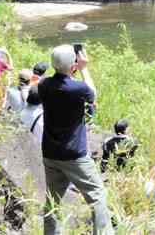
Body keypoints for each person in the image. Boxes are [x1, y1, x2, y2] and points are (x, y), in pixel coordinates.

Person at [38, 44, 113, 235]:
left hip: (50, 153)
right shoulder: (78, 88)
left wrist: (74, 67)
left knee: (52, 199)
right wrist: (84, 69)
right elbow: (93, 95)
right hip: (74, 155)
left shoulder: (44, 84)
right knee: (98, 196)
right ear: (74, 66)